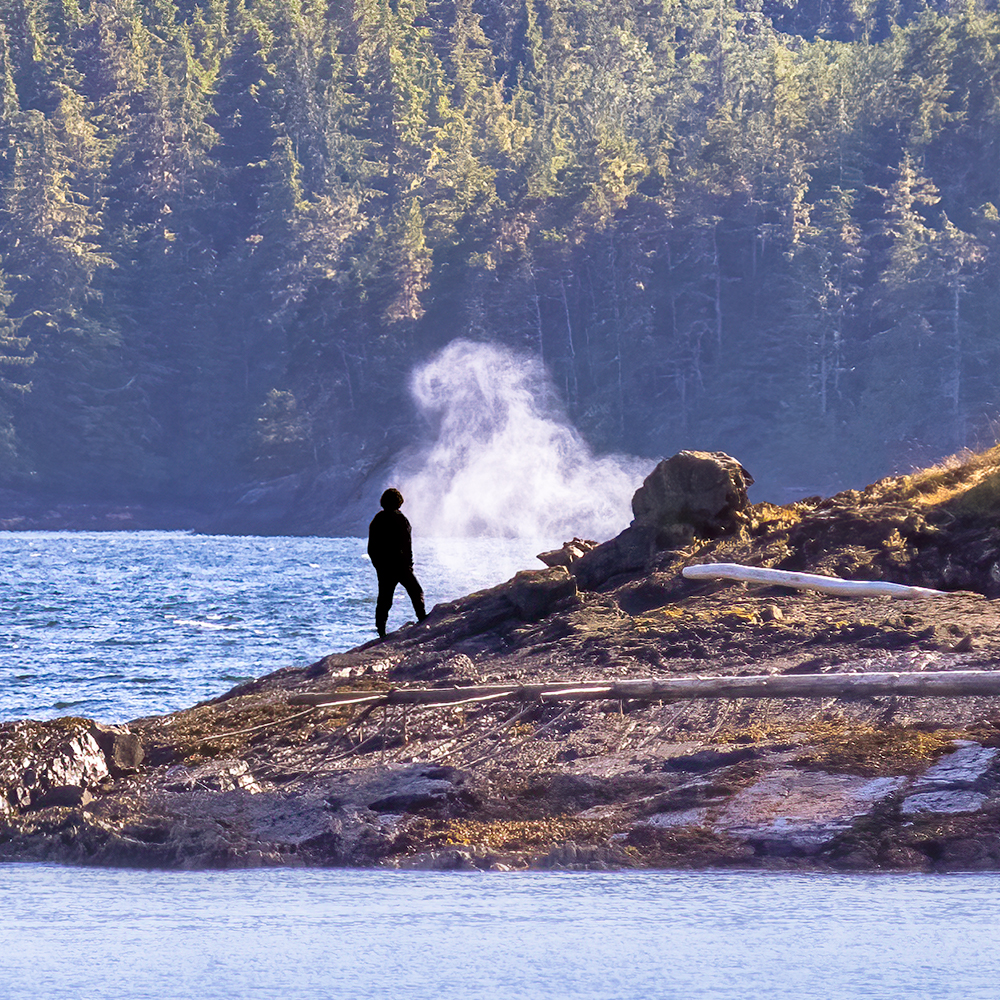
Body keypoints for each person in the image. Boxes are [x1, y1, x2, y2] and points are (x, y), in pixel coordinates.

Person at [367, 487, 427, 639]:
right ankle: (423, 621)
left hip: (385, 567)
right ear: (398, 503)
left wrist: (379, 566)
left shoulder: (377, 519)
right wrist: (409, 565)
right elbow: (407, 545)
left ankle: (381, 631)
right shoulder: (401, 519)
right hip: (401, 566)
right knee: (416, 592)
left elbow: (371, 548)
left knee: (384, 600)